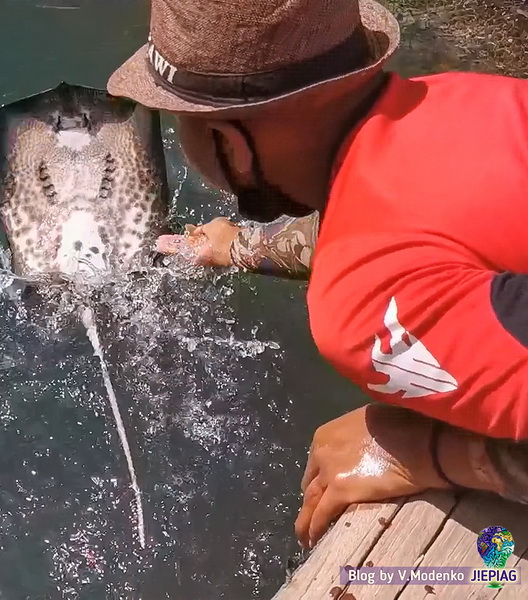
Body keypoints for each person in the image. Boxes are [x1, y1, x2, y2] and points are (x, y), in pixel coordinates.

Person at [106, 0, 528, 551]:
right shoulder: (471, 98)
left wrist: (437, 453)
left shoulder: (359, 313)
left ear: (227, 142)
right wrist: (243, 248)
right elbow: (420, 219)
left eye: (179, 124)